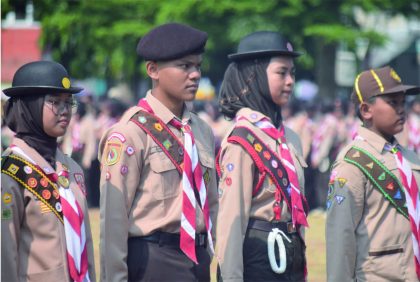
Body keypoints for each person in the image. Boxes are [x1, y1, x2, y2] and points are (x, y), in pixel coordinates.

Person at [98, 23, 218, 282]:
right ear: (153, 70)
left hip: (198, 258)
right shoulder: (130, 133)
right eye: (184, 66)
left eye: (197, 66)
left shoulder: (202, 130)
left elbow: (212, 202)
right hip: (153, 260)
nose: (195, 74)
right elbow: (113, 221)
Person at [216, 31, 309, 281]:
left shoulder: (290, 137)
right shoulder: (242, 140)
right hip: (258, 255)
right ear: (253, 76)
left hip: (291, 251)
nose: (290, 81)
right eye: (281, 72)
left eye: (293, 73)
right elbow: (230, 223)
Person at [1, 61, 95, 281]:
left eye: (68, 102)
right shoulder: (10, 172)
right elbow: (5, 255)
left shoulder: (71, 168)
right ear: (29, 107)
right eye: (54, 102)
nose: (64, 111)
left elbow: (85, 243)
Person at [326, 66, 420, 281]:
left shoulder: (411, 158)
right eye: (392, 102)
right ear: (366, 110)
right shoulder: (351, 163)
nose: (401, 109)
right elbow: (341, 236)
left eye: (402, 102)